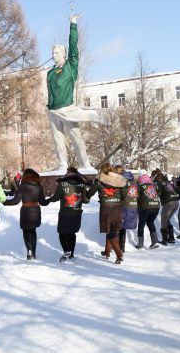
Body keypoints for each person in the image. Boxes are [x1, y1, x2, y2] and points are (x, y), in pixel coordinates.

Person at [47, 15, 102, 171]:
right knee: (58, 139)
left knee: (76, 136)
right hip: (52, 109)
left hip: (67, 108)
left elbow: (73, 45)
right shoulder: (50, 72)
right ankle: (62, 164)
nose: (53, 55)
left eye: (57, 52)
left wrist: (73, 25)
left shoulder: (70, 66)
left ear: (64, 54)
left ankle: (85, 164)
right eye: (52, 52)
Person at [45, 167, 90, 262]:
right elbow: (86, 201)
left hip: (65, 214)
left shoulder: (62, 184)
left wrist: (48, 200)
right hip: (76, 213)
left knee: (62, 233)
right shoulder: (82, 185)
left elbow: (56, 197)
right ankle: (71, 254)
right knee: (72, 233)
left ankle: (66, 250)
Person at [3, 168, 48, 260]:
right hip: (35, 211)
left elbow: (16, 201)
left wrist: (5, 202)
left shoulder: (22, 186)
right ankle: (33, 253)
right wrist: (51, 200)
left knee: (26, 232)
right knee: (33, 232)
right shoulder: (38, 186)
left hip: (25, 211)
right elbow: (43, 202)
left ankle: (29, 251)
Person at [87, 163, 128, 264]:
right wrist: (119, 201)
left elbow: (90, 193)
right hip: (117, 208)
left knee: (110, 232)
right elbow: (124, 194)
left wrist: (85, 192)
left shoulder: (99, 180)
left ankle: (119, 255)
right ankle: (107, 251)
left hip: (106, 208)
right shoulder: (119, 179)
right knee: (113, 231)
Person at [153, 169, 179, 245]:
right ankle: (171, 238)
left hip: (169, 203)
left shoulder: (158, 182)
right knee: (167, 219)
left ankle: (165, 240)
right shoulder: (167, 181)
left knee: (163, 220)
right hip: (176, 202)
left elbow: (158, 193)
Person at [136, 171, 161, 250]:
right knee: (150, 222)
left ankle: (140, 243)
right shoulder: (154, 185)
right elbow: (158, 193)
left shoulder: (140, 186)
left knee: (141, 225)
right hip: (156, 207)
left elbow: (137, 197)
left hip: (145, 207)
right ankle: (155, 241)